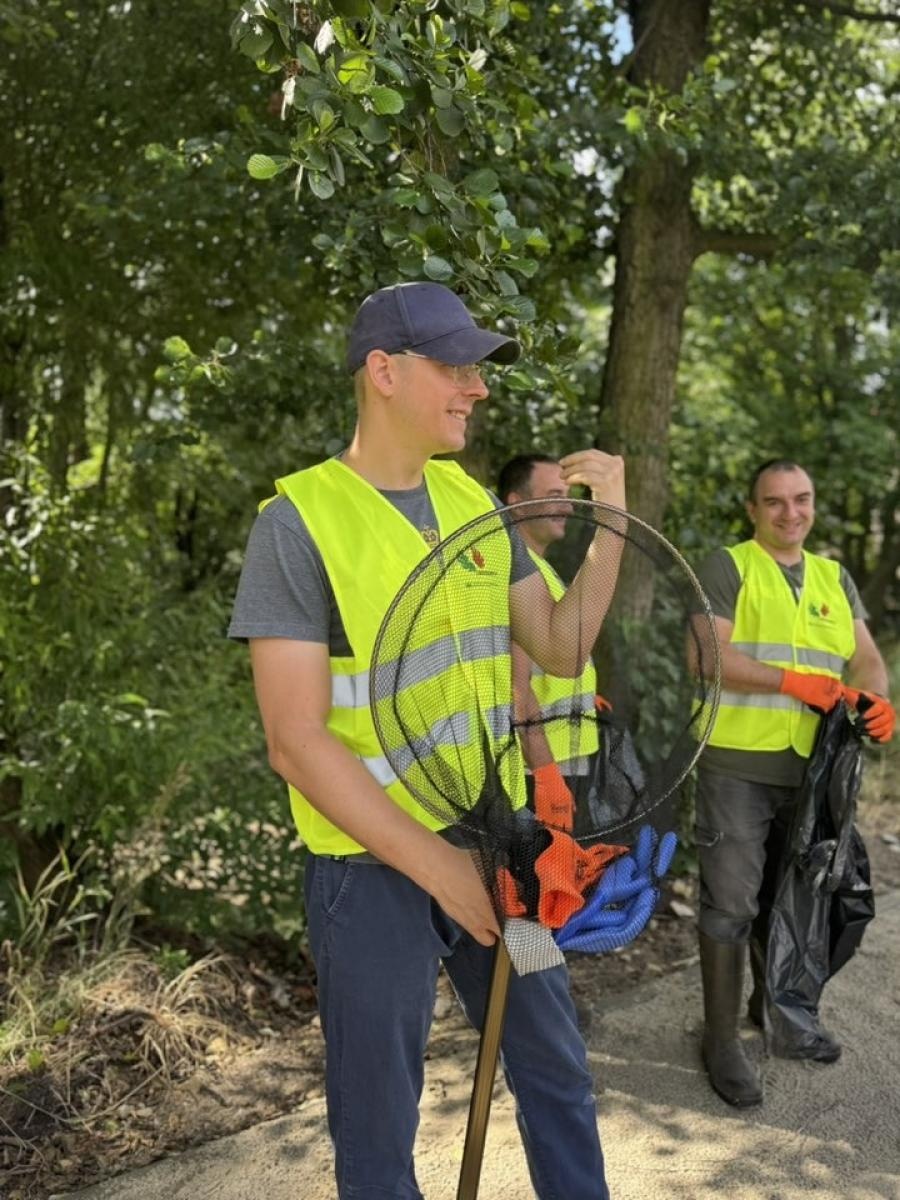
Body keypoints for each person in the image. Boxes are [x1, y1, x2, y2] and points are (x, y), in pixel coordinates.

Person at [228, 281, 626, 1199]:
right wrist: (435, 867)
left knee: (558, 1075)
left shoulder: (473, 503)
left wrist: (605, 529)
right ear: (383, 373)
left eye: (476, 371)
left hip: (499, 849)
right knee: (378, 1132)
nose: (476, 388)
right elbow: (295, 741)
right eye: (454, 367)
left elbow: (561, 646)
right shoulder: (297, 524)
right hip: (370, 877)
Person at [693, 458, 894, 1109]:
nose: (791, 513)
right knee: (731, 903)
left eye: (801, 499)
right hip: (736, 765)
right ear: (753, 509)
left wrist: (876, 698)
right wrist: (791, 683)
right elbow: (706, 655)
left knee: (792, 897)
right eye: (774, 502)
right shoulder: (729, 566)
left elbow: (863, 656)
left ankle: (773, 1009)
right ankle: (721, 1041)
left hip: (813, 773)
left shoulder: (834, 576)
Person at [498, 454, 604, 839]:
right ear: (516, 503)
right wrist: (546, 778)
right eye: (555, 494)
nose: (568, 506)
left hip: (566, 761)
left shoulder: (540, 571)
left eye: (569, 495)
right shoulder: (514, 577)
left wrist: (582, 692)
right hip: (538, 771)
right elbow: (515, 686)